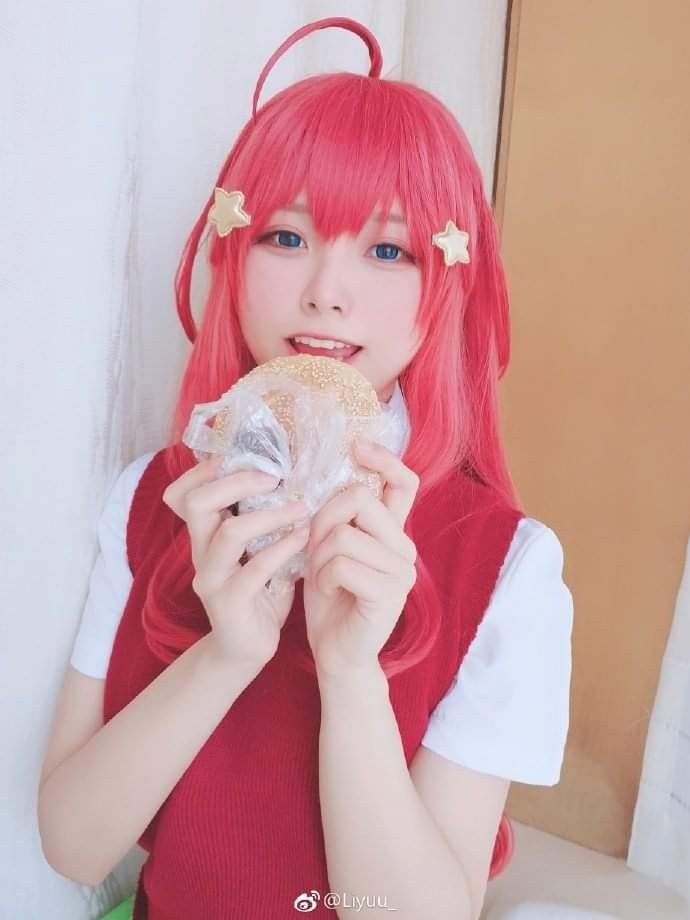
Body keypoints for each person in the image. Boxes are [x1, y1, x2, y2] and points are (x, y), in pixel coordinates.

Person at [37, 17, 573, 920]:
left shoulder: (508, 568)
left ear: (445, 288)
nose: (326, 289)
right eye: (286, 238)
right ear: (233, 254)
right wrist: (227, 654)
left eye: (388, 250)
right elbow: (73, 845)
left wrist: (351, 673)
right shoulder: (152, 499)